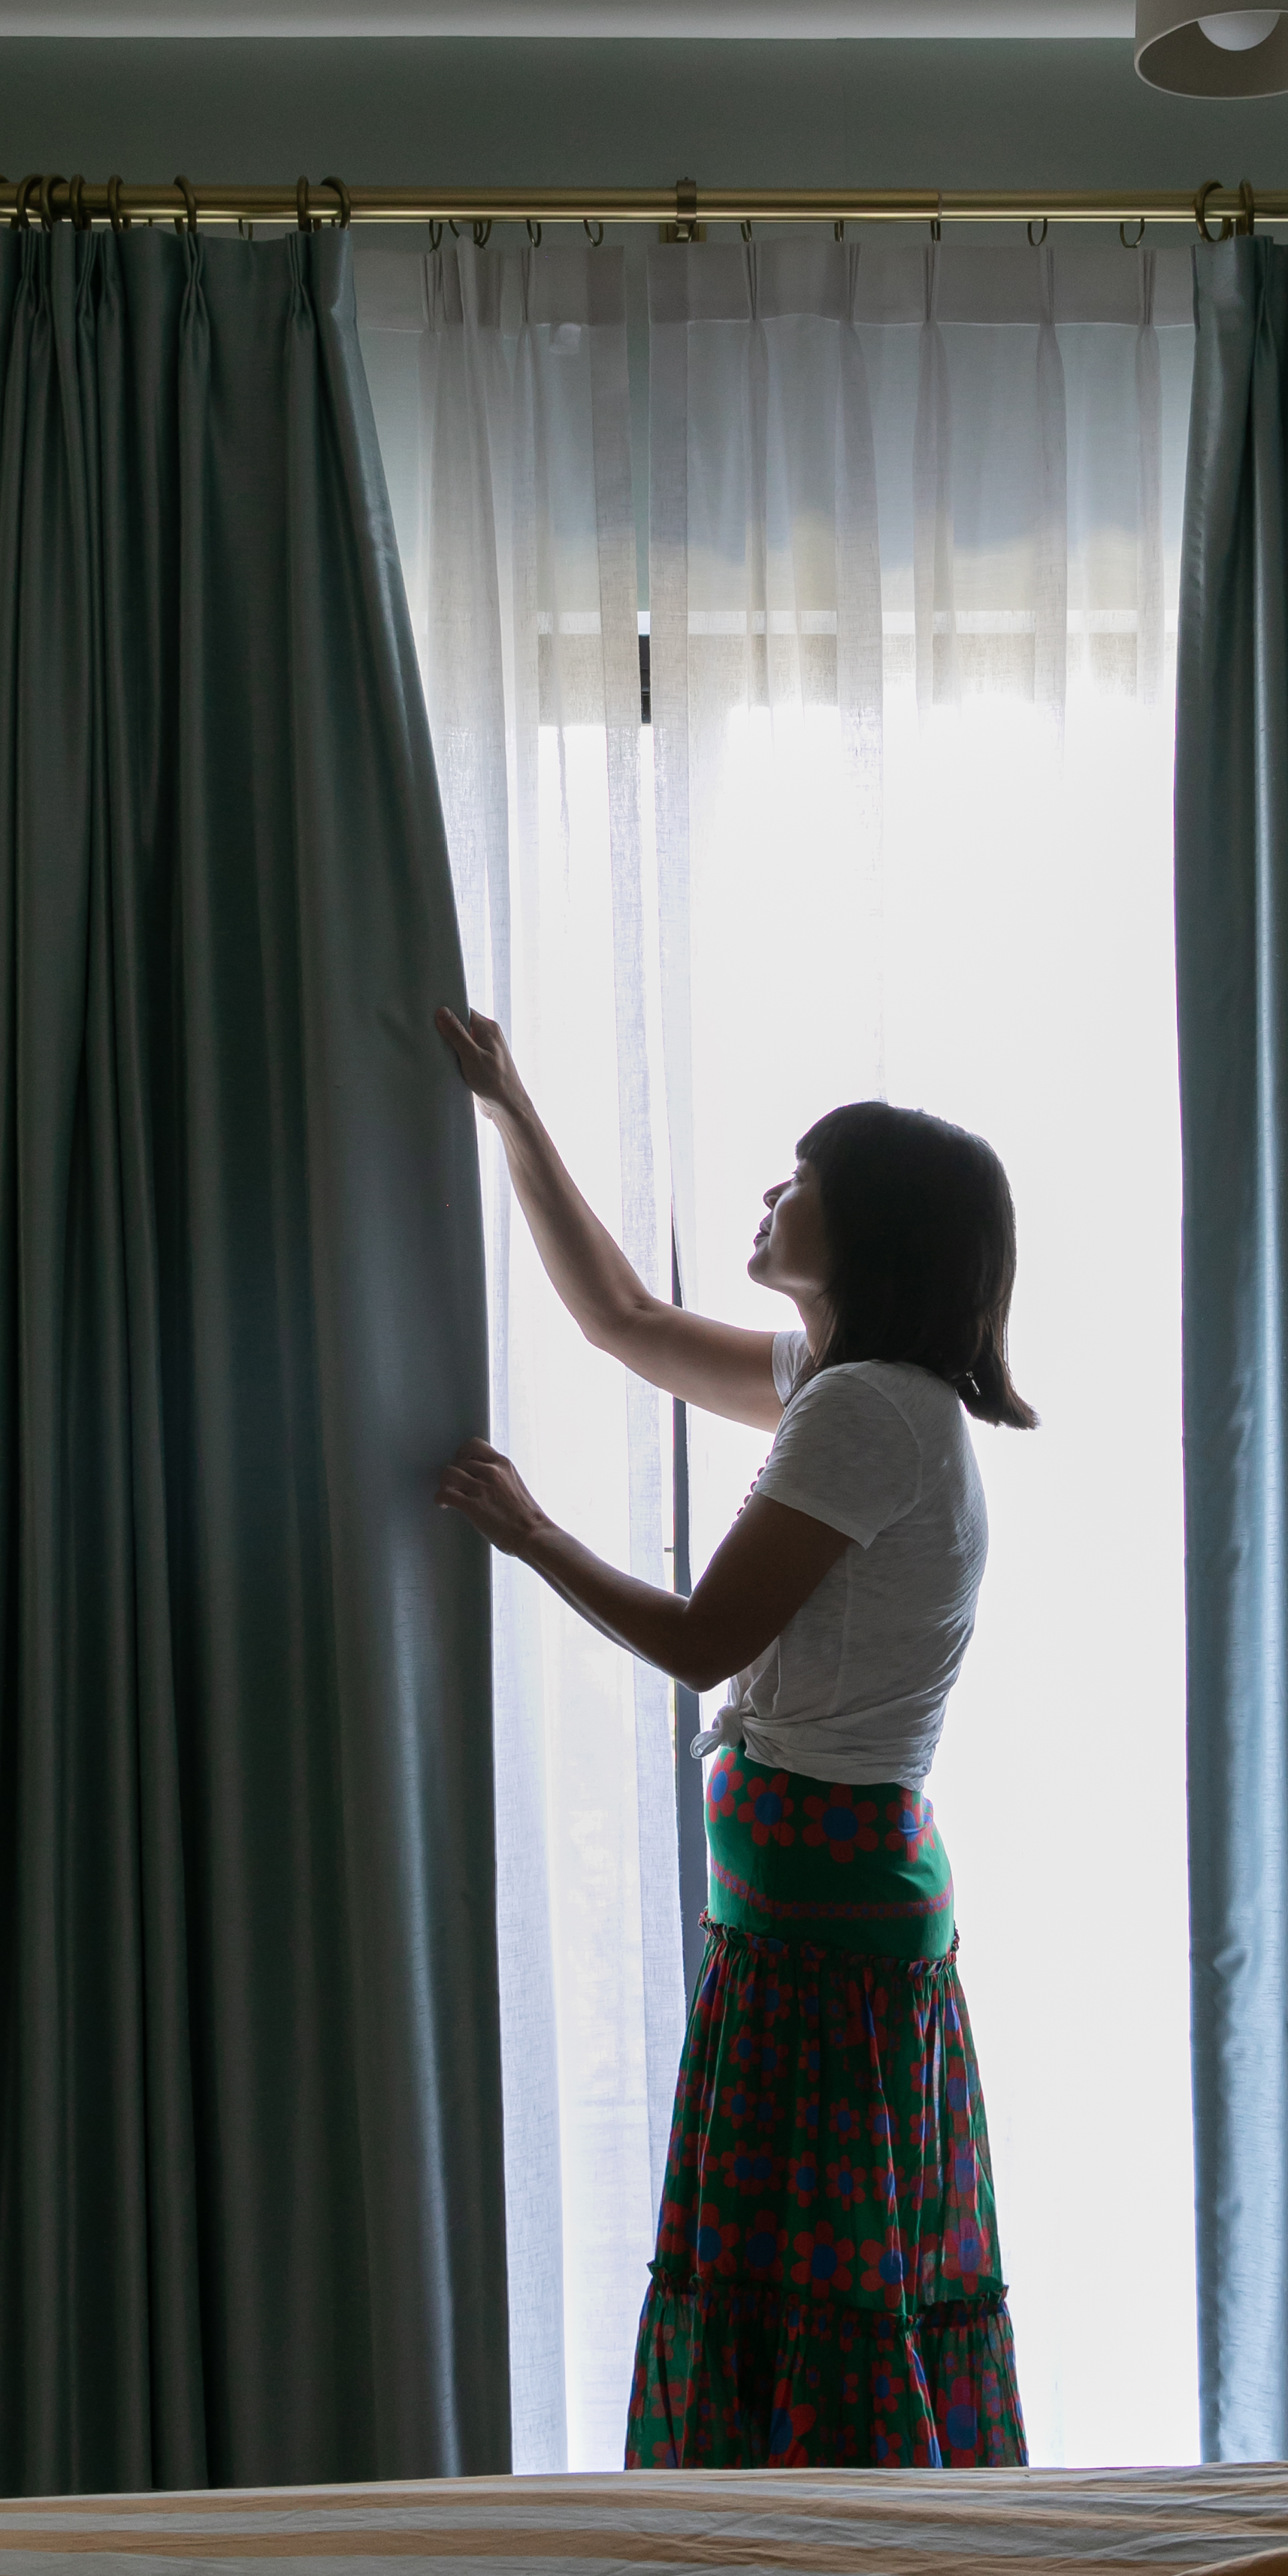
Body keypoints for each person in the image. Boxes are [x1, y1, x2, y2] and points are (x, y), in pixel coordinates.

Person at [434, 1003, 1032, 2469]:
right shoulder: (848, 1393)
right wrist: (511, 1103)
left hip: (823, 1927)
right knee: (826, 2282)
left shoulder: (870, 1417)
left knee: (806, 2287)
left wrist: (531, 1536)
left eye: (800, 1177)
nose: (773, 1198)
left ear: (873, 1227)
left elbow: (706, 1642)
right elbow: (623, 1322)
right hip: (824, 1909)